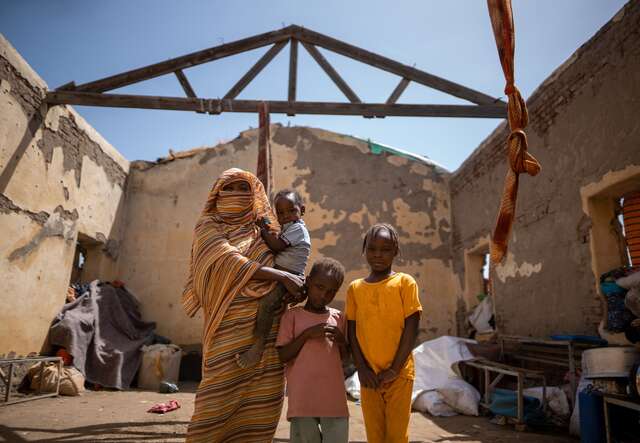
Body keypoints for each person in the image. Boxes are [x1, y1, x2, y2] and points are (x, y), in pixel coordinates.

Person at [182, 168, 305, 443]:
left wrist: (295, 285)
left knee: (261, 403)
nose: (237, 194)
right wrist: (282, 276)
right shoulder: (209, 226)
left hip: (269, 328)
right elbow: (227, 261)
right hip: (227, 327)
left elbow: (289, 260)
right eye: (231, 188)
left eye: (244, 189)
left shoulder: (265, 228)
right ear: (218, 193)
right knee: (215, 400)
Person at [346, 223, 422, 443]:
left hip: (398, 375)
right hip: (370, 376)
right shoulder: (355, 288)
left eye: (385, 249)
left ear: (395, 251)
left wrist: (394, 369)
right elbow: (352, 331)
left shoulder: (405, 283)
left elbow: (412, 328)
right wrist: (361, 368)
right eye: (372, 248)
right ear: (364, 250)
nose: (378, 254)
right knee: (375, 435)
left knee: (397, 436)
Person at [276, 258, 349, 443]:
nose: (324, 295)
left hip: (334, 401)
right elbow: (283, 355)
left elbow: (346, 359)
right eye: (319, 287)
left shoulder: (338, 318)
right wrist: (307, 334)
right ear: (308, 282)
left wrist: (342, 341)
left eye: (331, 292)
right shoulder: (292, 316)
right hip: (303, 400)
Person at [237, 189, 311, 368]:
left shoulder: (298, 228)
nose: (286, 216)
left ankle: (259, 344)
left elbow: (277, 245)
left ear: (302, 210)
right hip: (283, 275)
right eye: (281, 213)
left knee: (267, 305)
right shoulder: (288, 227)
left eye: (291, 210)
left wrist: (262, 229)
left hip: (289, 278)